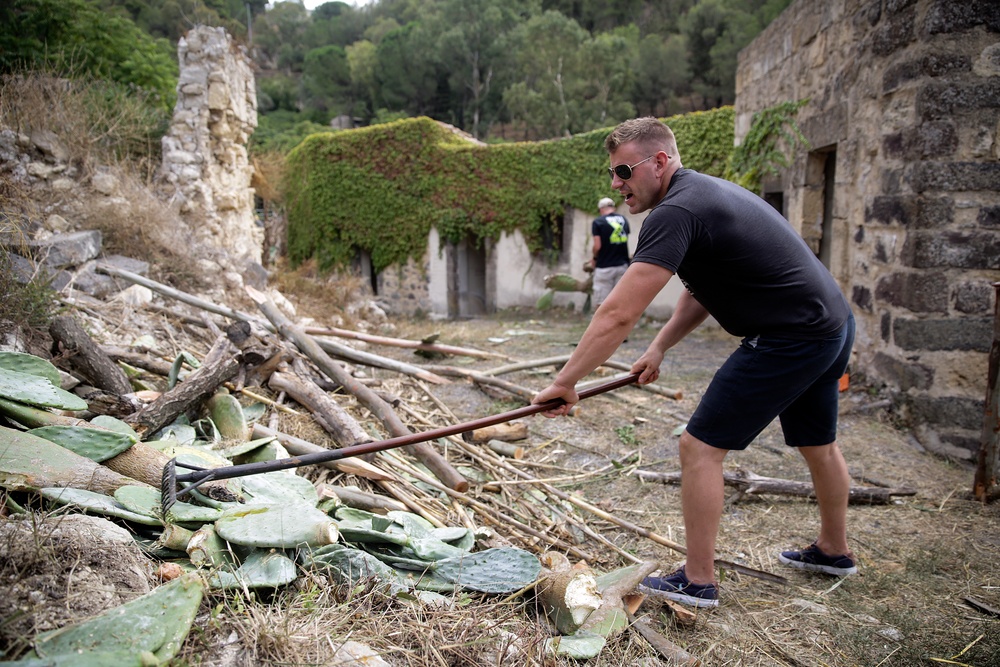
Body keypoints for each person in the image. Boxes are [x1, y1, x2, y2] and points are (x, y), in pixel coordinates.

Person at [532, 117, 856, 609]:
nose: (616, 184)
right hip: (831, 322)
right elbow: (701, 289)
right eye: (612, 174)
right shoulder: (699, 195)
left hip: (792, 336)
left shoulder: (676, 210)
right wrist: (660, 346)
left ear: (659, 161)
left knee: (699, 447)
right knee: (818, 443)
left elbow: (618, 313)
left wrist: (566, 382)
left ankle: (697, 581)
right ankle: (833, 550)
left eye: (623, 170)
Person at [590, 197, 630, 308]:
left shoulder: (598, 222)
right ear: (613, 207)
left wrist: (594, 259)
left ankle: (601, 325)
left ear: (601, 209)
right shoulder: (624, 220)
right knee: (620, 302)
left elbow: (597, 246)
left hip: (604, 267)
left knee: (602, 304)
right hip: (623, 266)